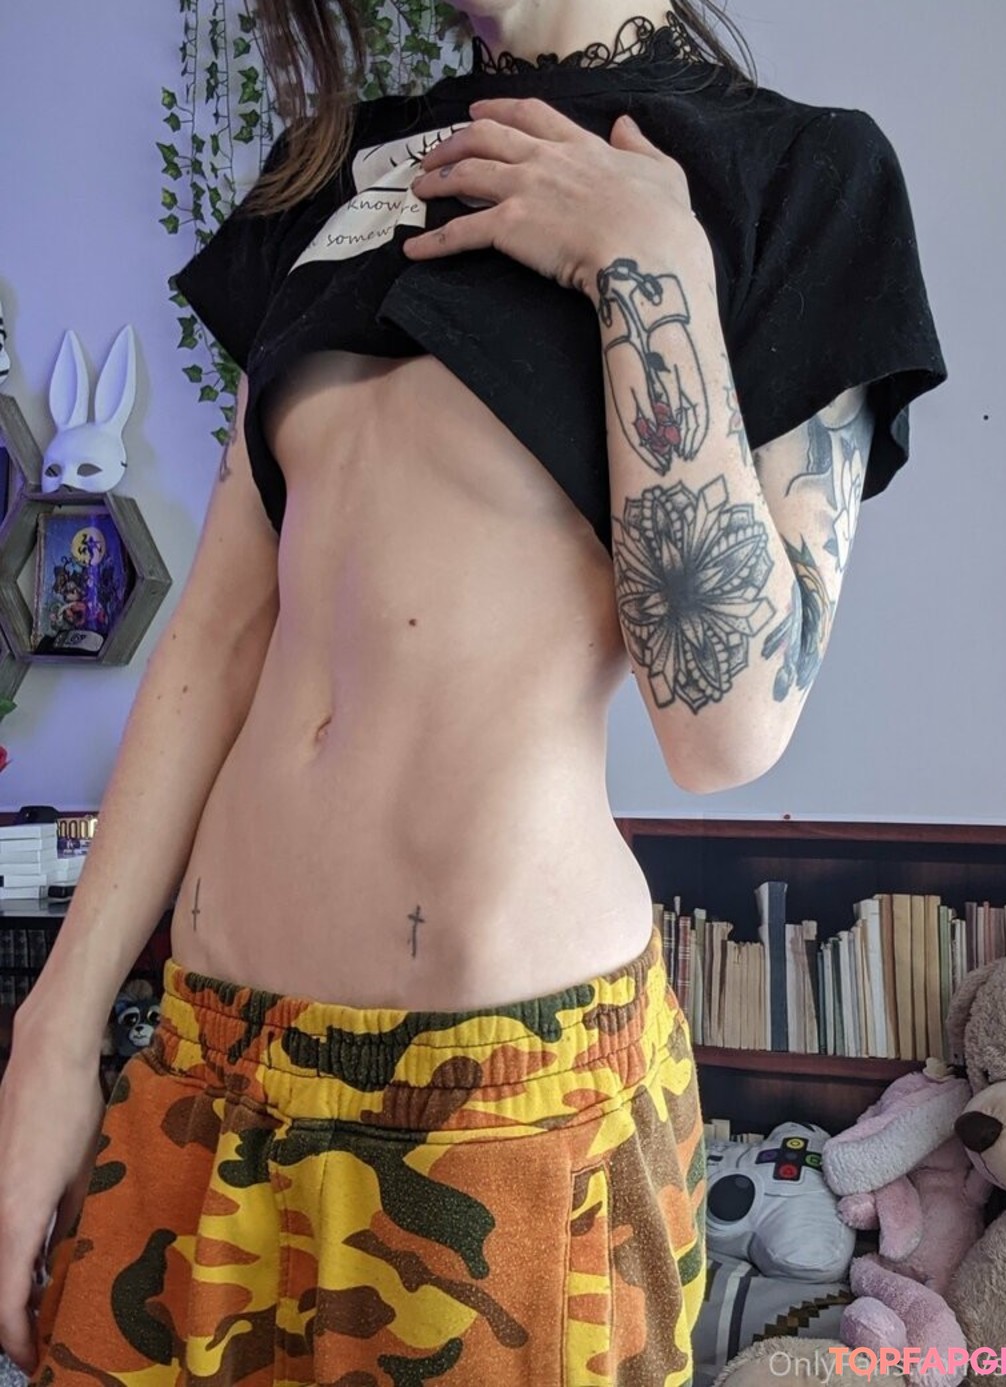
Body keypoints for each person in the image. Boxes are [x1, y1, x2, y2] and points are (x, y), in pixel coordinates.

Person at [0, 2, 948, 1383]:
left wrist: (648, 265)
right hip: (206, 1065)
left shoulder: (798, 173)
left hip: (502, 1108)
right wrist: (56, 1029)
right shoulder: (337, 167)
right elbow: (218, 627)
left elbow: (728, 726)